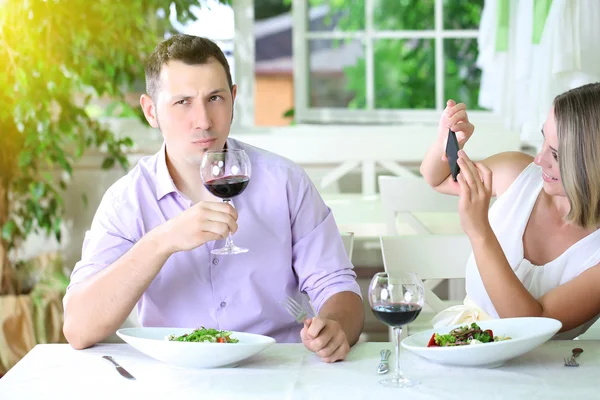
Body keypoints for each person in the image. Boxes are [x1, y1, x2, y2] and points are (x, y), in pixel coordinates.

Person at [62, 34, 364, 362]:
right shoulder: (126, 201)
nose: (204, 121)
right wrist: (163, 241)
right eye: (183, 102)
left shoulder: (286, 183)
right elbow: (79, 328)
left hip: (278, 369)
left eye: (215, 98)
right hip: (174, 377)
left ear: (233, 99)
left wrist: (335, 327)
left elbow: (338, 288)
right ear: (151, 112)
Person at [420, 83, 600, 339]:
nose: (539, 160)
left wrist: (480, 232)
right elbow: (436, 179)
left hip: (544, 375)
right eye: (543, 140)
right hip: (463, 351)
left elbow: (530, 325)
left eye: (557, 155)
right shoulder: (518, 175)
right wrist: (446, 141)